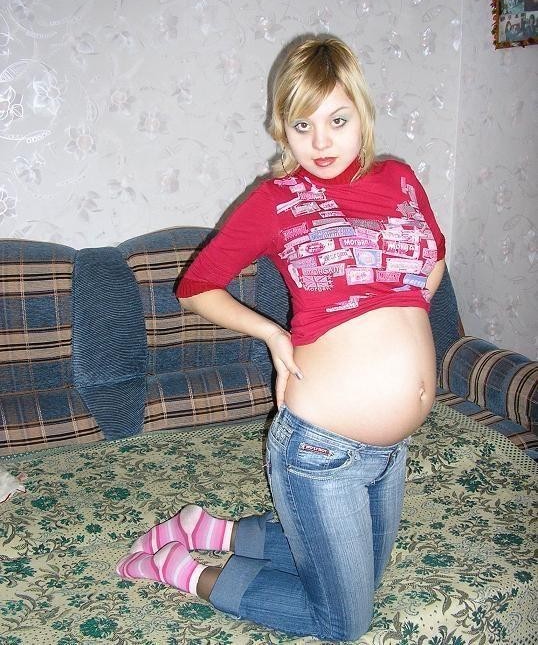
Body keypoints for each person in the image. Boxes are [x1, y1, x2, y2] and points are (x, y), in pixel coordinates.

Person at [115, 35, 446, 641]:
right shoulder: (277, 200)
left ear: (362, 114)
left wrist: (400, 327)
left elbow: (434, 257)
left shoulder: (399, 179)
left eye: (337, 120)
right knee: (345, 621)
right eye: (302, 125)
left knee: (367, 578)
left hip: (390, 451)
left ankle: (213, 531)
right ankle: (183, 569)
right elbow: (196, 287)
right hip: (320, 449)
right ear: (281, 128)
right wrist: (272, 333)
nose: (320, 142)